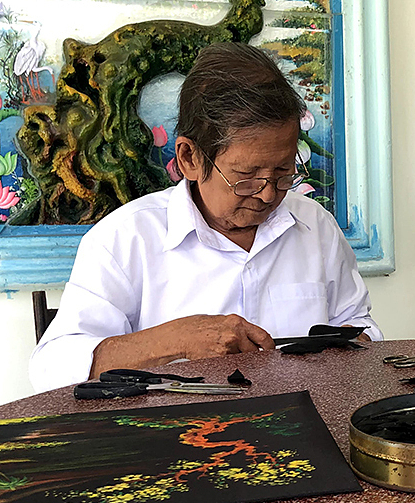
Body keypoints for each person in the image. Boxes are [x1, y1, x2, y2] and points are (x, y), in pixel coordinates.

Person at [29, 43, 381, 392]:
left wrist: (351, 343)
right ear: (189, 158)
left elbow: (359, 327)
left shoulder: (315, 228)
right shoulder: (125, 240)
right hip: (173, 438)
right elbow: (51, 368)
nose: (269, 193)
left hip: (303, 431)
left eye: (284, 172)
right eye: (246, 176)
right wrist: (175, 341)